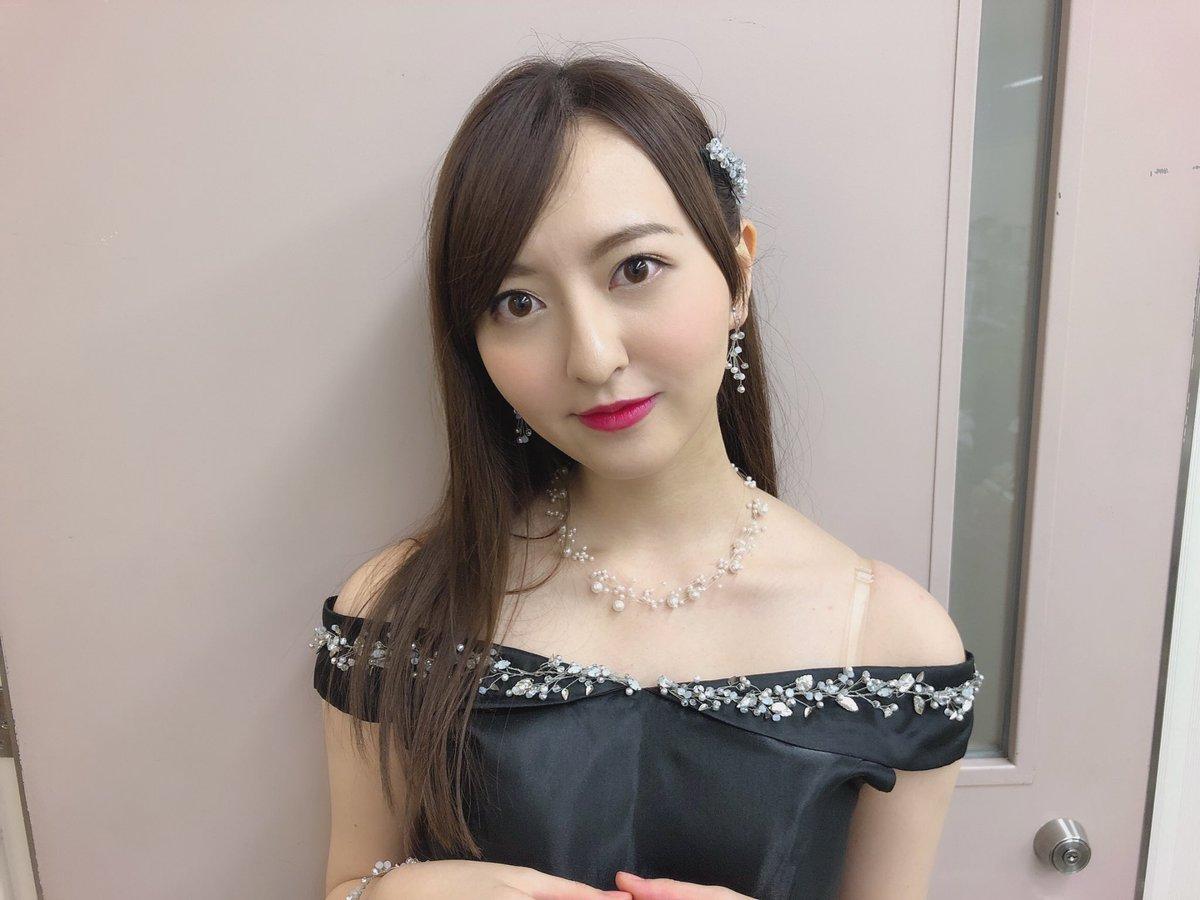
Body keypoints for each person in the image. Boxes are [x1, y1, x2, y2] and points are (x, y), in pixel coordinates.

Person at [310, 50, 983, 900]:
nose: (592, 357)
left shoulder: (891, 642)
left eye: (635, 269)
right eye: (519, 302)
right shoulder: (400, 607)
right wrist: (410, 894)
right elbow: (347, 882)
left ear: (737, 272)